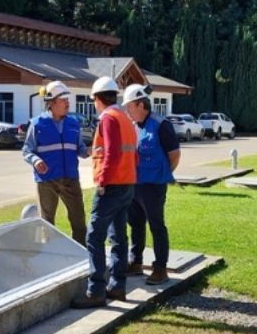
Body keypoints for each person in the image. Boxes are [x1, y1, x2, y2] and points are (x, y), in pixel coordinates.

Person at [71, 76, 138, 308]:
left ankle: (95, 290)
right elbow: (132, 154)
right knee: (118, 236)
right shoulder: (125, 118)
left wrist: (102, 180)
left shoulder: (108, 118)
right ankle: (117, 286)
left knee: (94, 236)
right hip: (127, 184)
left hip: (111, 186)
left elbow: (111, 153)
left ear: (97, 99)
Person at [121, 84, 181, 285]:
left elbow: (174, 155)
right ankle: (136, 262)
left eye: (129, 106)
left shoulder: (161, 125)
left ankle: (160, 269)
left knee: (156, 225)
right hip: (135, 185)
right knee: (135, 223)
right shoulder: (133, 126)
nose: (127, 111)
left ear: (140, 104)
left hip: (153, 186)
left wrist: (163, 174)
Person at [22, 80, 89, 242]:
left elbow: (80, 149)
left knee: (79, 221)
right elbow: (27, 150)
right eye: (63, 100)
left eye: (67, 99)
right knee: (47, 222)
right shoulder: (37, 124)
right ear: (51, 103)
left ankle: (80, 253)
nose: (67, 103)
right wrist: (36, 161)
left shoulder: (73, 123)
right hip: (46, 181)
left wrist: (89, 151)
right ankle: (50, 254)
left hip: (70, 179)